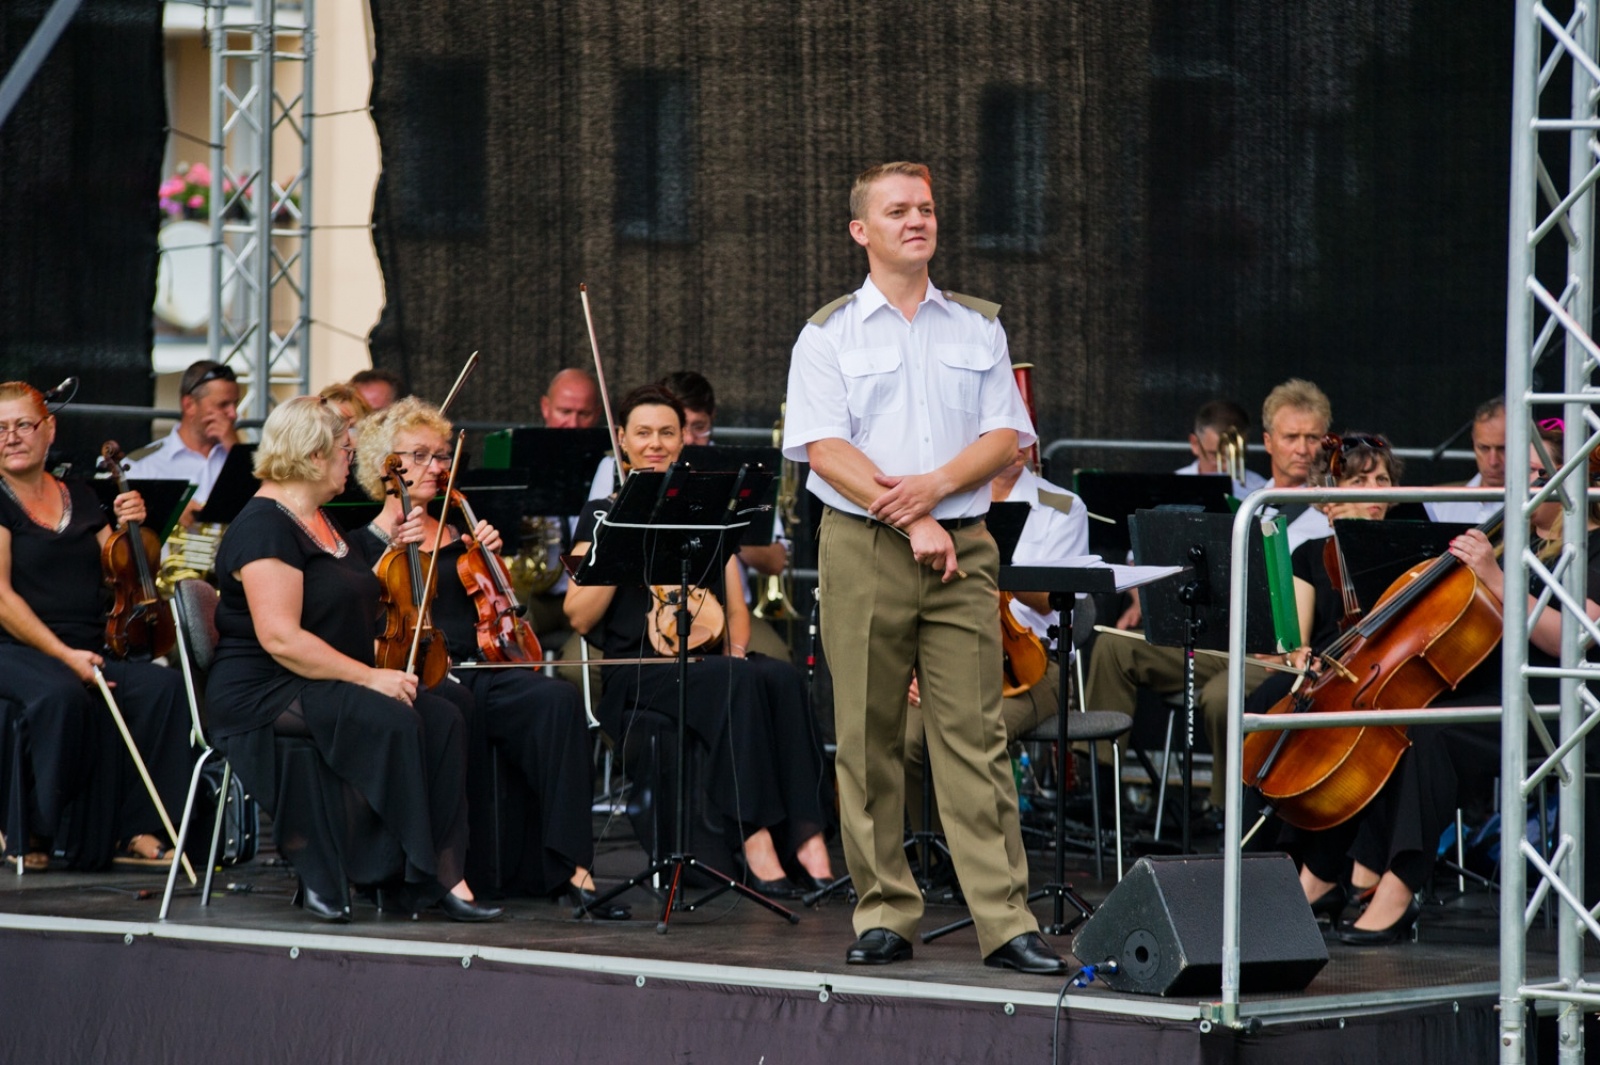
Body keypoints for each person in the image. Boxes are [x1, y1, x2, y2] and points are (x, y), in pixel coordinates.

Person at [782, 160, 1062, 974]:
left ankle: (1005, 921)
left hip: (961, 544)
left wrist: (934, 496)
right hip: (864, 545)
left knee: (975, 736)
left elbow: (1004, 437)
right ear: (860, 230)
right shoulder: (827, 333)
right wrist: (914, 519)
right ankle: (884, 914)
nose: (917, 220)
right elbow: (826, 452)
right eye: (898, 209)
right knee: (866, 737)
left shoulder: (977, 326)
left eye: (927, 208)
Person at [205, 395, 500, 923]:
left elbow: (353, 583)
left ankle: (446, 873)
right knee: (394, 718)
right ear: (314, 455)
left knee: (446, 712)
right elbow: (280, 639)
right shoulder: (264, 527)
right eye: (346, 449)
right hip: (267, 687)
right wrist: (370, 677)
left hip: (319, 678)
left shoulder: (318, 519)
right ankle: (389, 871)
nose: (353, 459)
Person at [1291, 424, 1587, 944]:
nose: (1522, 485)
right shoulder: (1519, 542)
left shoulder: (1586, 548)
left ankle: (1398, 885)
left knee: (1429, 734)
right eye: (1521, 474)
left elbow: (1578, 639)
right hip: (1499, 683)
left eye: (1537, 475)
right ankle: (1347, 871)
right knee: (1390, 719)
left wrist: (1496, 579)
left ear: (1570, 481)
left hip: (1560, 695)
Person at [351, 397, 627, 919]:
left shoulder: (463, 535)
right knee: (454, 707)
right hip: (419, 678)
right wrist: (391, 553)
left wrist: (492, 561)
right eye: (420, 455)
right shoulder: (365, 547)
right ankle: (457, 873)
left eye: (442, 455)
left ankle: (573, 867)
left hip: (479, 667)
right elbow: (358, 624)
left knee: (557, 699)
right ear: (386, 465)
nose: (437, 466)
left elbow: (501, 610)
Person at [565, 384, 834, 896]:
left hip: (704, 661)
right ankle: (752, 837)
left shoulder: (704, 508)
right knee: (735, 681)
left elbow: (735, 610)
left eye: (667, 432)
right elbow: (578, 616)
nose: (655, 443)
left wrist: (737, 653)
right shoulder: (601, 511)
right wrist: (622, 531)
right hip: (637, 671)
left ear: (682, 439)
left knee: (778, 677)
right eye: (643, 433)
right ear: (622, 440)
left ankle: (808, 837)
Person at [1087, 378, 1333, 811]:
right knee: (1112, 647)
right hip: (1217, 638)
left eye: (1312, 438)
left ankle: (1227, 815)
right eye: (1291, 437)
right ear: (1268, 442)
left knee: (1222, 696)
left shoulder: (1334, 508)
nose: (1302, 449)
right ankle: (1100, 795)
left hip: (1276, 653)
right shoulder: (1242, 498)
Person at [0, 381, 191, 871]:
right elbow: (2, 600)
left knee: (163, 688)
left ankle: (138, 828)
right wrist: (64, 657)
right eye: (0, 428)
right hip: (15, 647)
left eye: (23, 425)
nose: (11, 436)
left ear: (49, 429)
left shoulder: (81, 496)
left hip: (88, 643)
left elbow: (119, 571)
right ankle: (37, 828)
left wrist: (133, 526)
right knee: (60, 695)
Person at [904, 442, 1090, 827]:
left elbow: (1051, 601)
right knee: (906, 741)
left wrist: (991, 565)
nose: (1018, 443)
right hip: (951, 655)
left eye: (1025, 434)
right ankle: (934, 850)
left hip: (1033, 665)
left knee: (973, 737)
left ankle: (988, 856)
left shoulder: (1062, 506)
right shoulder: (947, 501)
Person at [125, 359, 240, 528]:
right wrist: (167, 509)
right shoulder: (141, 465)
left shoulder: (243, 457)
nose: (233, 414)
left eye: (235, 404)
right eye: (223, 405)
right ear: (189, 405)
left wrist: (237, 451)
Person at [1425, 396, 1505, 525]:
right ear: (1473, 441)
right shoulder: (1443, 505)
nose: (1493, 461)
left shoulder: (1535, 507)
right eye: (1483, 448)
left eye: (1503, 449)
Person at [1174, 398, 1269, 498]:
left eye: (1234, 455)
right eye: (1215, 455)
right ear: (1195, 444)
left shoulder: (1262, 492)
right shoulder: (1173, 487)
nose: (1225, 467)